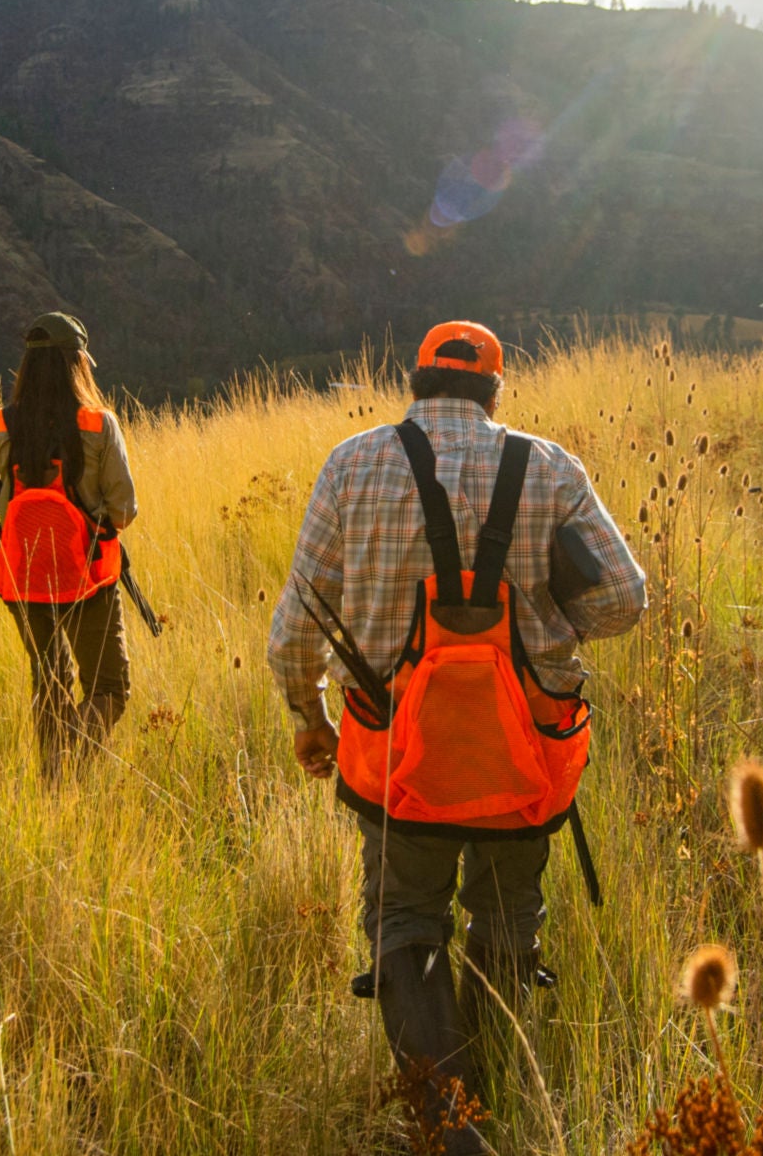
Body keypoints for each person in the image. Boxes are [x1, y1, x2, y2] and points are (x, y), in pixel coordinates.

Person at [268, 320, 645, 1151]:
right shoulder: (549, 468)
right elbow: (625, 599)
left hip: (399, 758)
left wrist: (312, 719)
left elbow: (292, 633)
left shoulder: (353, 464)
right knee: (508, 912)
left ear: (416, 383)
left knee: (405, 915)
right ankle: (497, 1095)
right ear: (495, 391)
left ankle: (450, 1127)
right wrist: (550, 624)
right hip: (524, 758)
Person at [0, 311, 139, 777]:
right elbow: (123, 511)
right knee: (110, 688)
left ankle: (55, 784)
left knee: (50, 685)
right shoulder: (99, 424)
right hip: (87, 577)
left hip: (19, 575)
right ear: (77, 364)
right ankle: (70, 761)